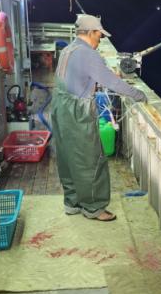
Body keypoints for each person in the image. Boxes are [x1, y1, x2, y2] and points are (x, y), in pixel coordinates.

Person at [51, 14, 147, 221]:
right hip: (77, 111)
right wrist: (139, 94)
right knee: (90, 159)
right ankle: (94, 208)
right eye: (99, 35)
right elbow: (114, 84)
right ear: (90, 33)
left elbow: (82, 75)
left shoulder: (69, 49)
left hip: (59, 105)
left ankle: (72, 203)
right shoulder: (88, 54)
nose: (100, 40)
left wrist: (102, 73)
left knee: (67, 156)